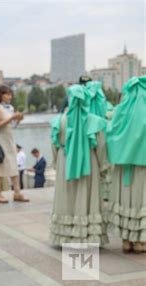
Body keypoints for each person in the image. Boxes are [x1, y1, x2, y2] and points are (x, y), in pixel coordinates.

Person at [50, 84, 109, 247]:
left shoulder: (59, 121)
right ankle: (87, 235)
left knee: (66, 198)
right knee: (87, 197)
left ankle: (66, 236)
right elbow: (102, 147)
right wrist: (103, 167)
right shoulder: (95, 122)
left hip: (65, 162)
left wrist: (57, 163)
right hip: (89, 163)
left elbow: (54, 146)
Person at [106, 76, 146, 253]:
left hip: (123, 169)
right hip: (143, 167)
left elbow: (109, 133)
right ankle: (140, 241)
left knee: (125, 200)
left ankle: (126, 241)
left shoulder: (120, 112)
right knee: (141, 200)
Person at [0, 85, 29, 203]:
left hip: (9, 139)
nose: (9, 96)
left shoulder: (10, 107)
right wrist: (13, 117)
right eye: (7, 94)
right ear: (0, 95)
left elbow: (11, 126)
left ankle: (17, 192)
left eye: (10, 94)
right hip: (0, 140)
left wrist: (18, 120)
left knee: (13, 165)